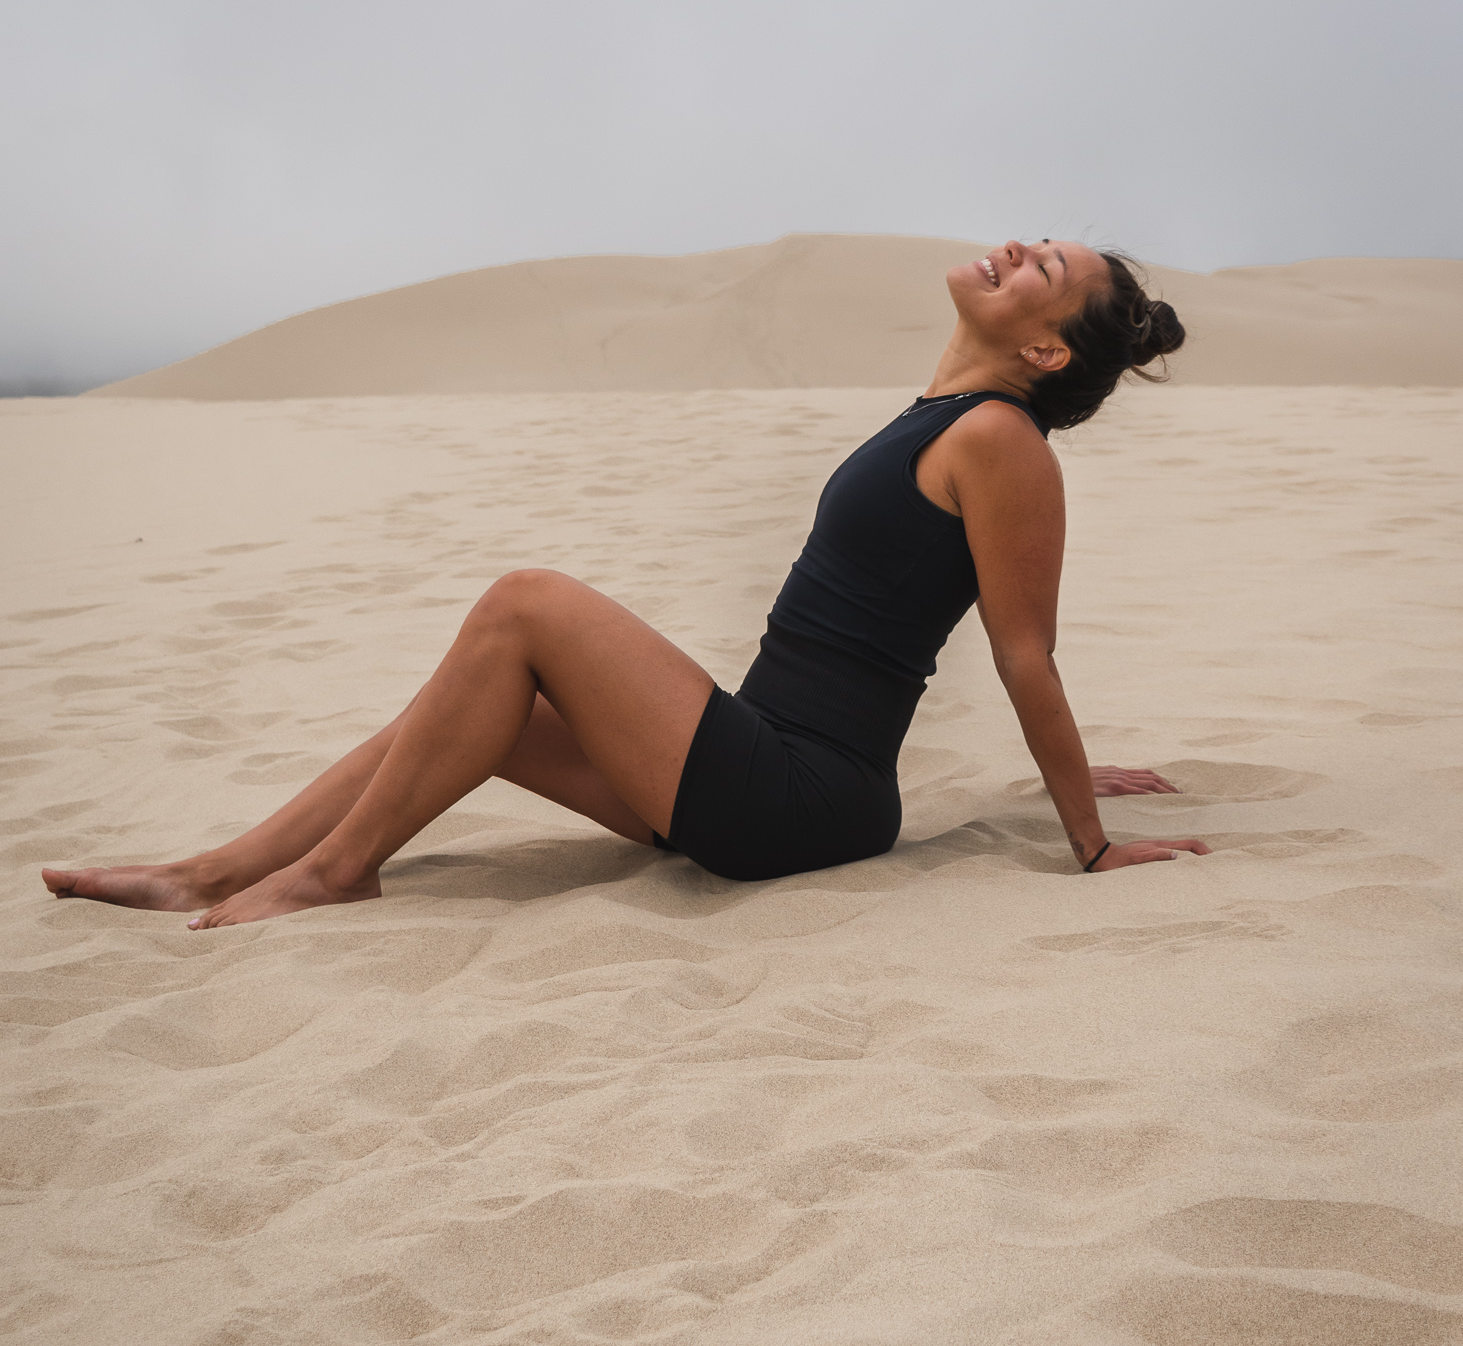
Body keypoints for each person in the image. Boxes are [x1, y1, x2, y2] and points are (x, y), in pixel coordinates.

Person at [43, 238, 1210, 929]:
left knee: (524, 601)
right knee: (470, 706)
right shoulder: (952, 412)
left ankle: (334, 872)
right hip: (756, 754)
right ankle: (214, 866)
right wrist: (1073, 768)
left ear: (1047, 347)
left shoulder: (1002, 437)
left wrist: (1089, 838)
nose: (1014, 247)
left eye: (1041, 266)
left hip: (803, 797)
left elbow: (1022, 649)